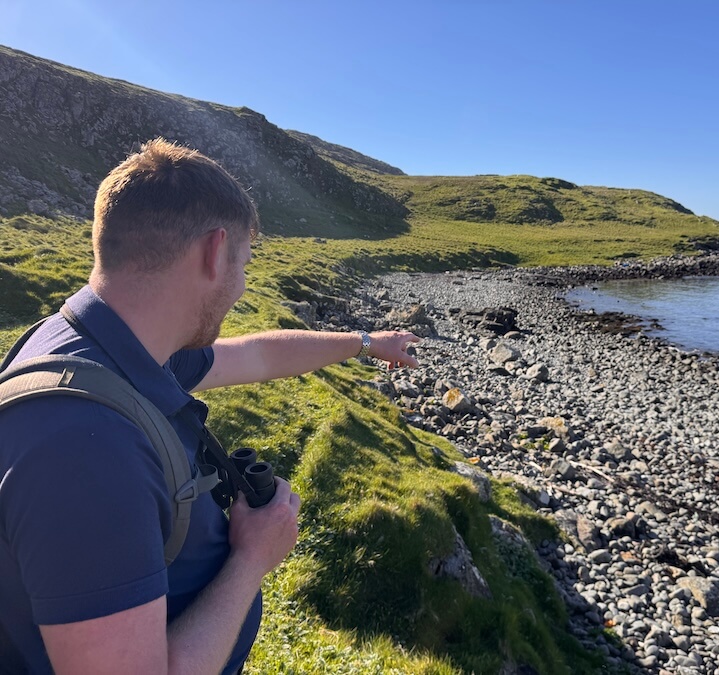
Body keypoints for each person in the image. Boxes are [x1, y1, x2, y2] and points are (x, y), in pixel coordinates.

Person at [0, 139, 420, 674]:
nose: (241, 287)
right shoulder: (84, 445)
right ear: (215, 251)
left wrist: (366, 342)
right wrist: (252, 559)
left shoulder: (103, 344)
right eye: (244, 264)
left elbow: (259, 355)